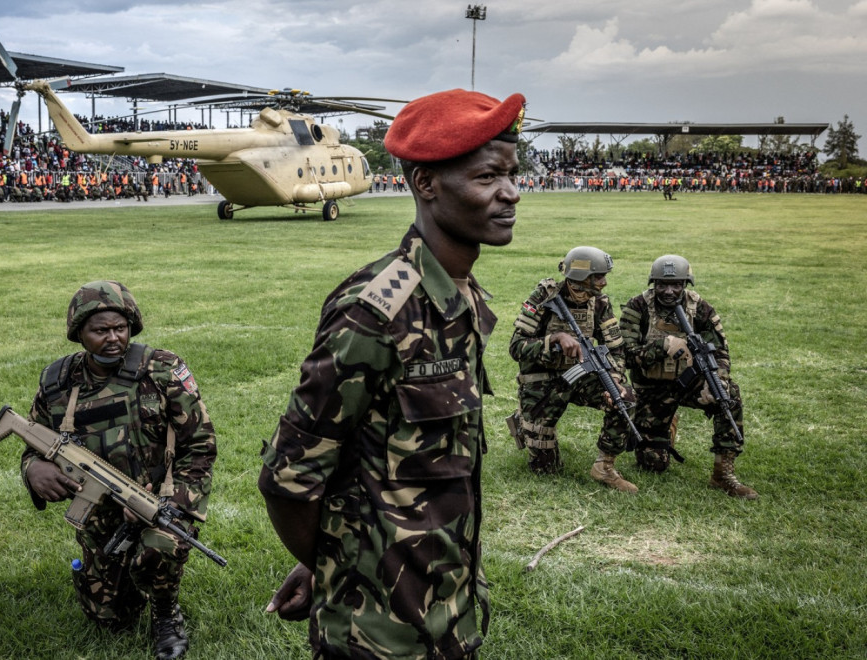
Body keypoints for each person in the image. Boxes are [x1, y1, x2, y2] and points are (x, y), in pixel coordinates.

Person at [259, 88, 525, 659]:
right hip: (379, 636)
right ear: (426, 183)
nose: (511, 193)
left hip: (448, 610)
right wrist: (333, 564)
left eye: (511, 174)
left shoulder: (459, 296)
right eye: (487, 177)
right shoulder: (377, 312)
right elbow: (289, 479)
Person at [20, 281, 218, 659]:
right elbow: (34, 441)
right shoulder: (58, 383)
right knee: (109, 618)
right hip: (98, 511)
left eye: (120, 328)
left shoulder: (161, 370)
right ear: (79, 332)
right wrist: (33, 470)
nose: (113, 338)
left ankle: (165, 611)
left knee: (160, 548)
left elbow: (201, 446)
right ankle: (119, 580)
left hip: (158, 501)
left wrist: (170, 503)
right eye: (100, 330)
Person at [619, 255, 758, 499]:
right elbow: (625, 355)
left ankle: (722, 474)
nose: (669, 291)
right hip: (651, 389)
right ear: (653, 283)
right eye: (662, 285)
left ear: (686, 283)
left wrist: (718, 380)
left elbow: (721, 352)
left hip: (690, 382)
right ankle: (667, 424)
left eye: (676, 285)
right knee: (653, 464)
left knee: (728, 394)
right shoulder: (637, 307)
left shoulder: (700, 308)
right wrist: (662, 346)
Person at [506, 246, 638, 493]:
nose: (604, 282)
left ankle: (604, 467)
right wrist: (554, 339)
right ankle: (528, 419)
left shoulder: (599, 303)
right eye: (598, 277)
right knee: (545, 469)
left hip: (581, 377)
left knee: (624, 398)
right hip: (542, 381)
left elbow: (617, 349)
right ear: (581, 277)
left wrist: (615, 379)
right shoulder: (544, 297)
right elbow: (516, 346)